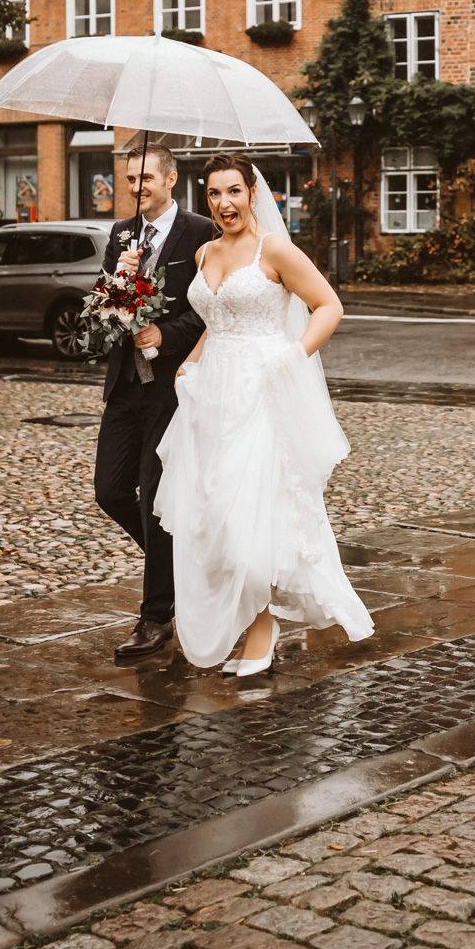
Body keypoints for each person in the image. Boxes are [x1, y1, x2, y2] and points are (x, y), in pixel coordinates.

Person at [154, 153, 373, 676]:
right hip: (211, 399)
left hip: (261, 393)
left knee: (253, 519)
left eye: (233, 191)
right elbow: (216, 319)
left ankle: (262, 630)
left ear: (253, 193)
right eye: (213, 193)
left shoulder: (274, 249)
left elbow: (329, 306)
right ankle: (253, 627)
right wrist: (189, 363)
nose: (223, 203)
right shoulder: (206, 251)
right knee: (215, 520)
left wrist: (292, 357)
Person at [93, 144, 209, 663]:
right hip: (125, 388)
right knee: (111, 489)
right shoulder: (121, 234)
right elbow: (104, 309)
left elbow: (209, 311)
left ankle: (155, 615)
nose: (137, 187)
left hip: (170, 389)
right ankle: (183, 566)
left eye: (145, 178)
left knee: (156, 498)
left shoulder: (200, 232)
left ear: (170, 178)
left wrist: (164, 332)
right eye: (130, 179)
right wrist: (119, 280)